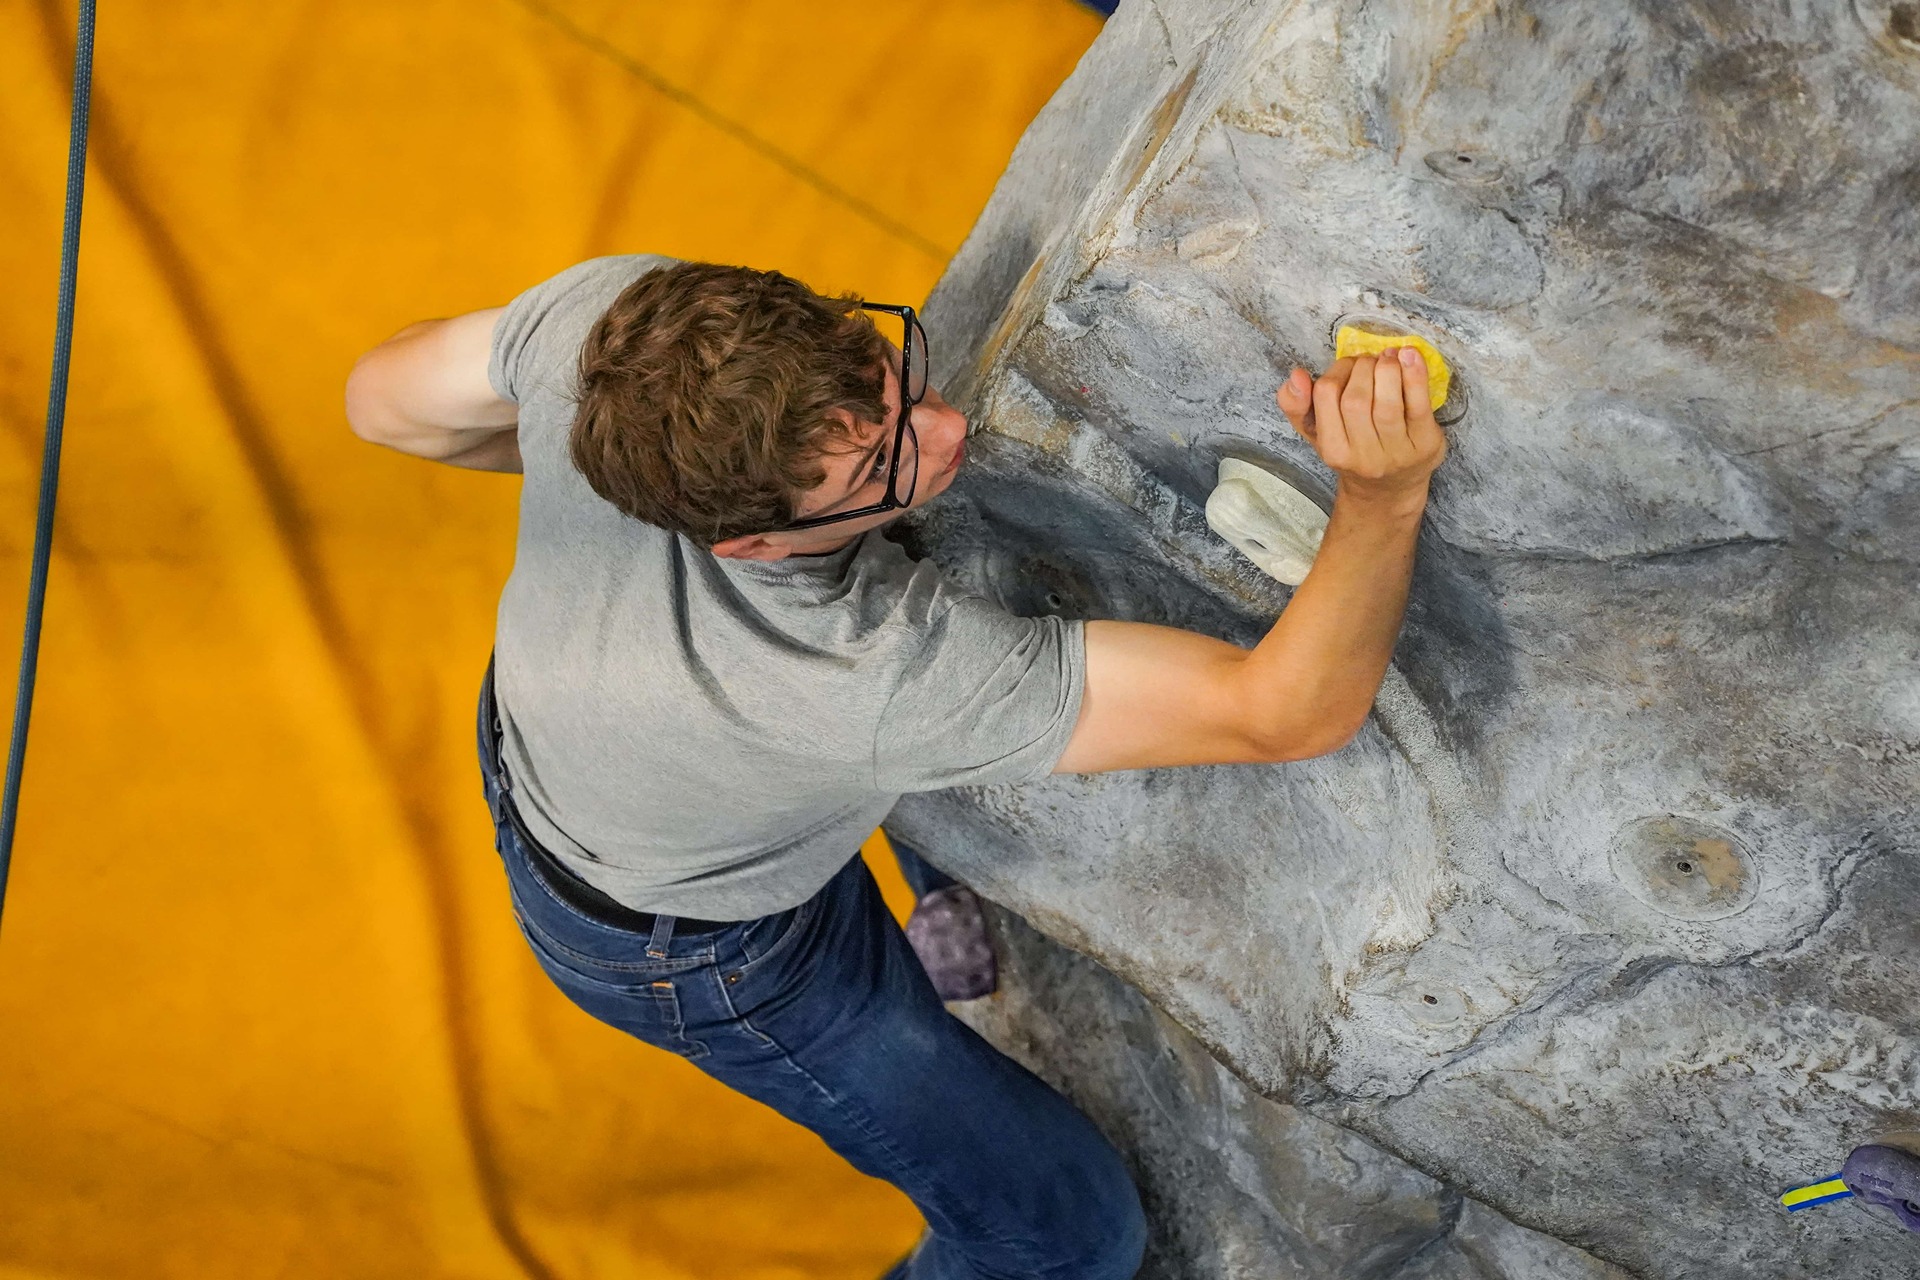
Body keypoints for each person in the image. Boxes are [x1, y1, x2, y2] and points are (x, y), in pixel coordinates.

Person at [344, 255, 1447, 1279]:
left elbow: (377, 400)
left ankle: (940, 899)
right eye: (879, 465)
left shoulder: (625, 338)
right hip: (699, 943)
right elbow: (1284, 711)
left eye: (889, 380)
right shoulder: (863, 673)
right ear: (753, 545)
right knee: (1068, 1230)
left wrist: (567, 453)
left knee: (883, 725)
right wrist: (1383, 496)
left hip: (569, 732)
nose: (946, 427)